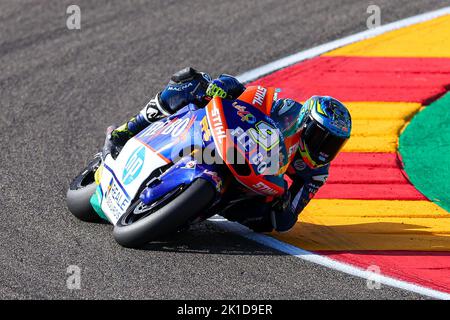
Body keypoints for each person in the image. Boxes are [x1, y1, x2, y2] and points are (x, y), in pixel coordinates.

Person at [109, 67, 352, 233]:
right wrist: (225, 88)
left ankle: (198, 206)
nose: (324, 149)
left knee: (271, 222)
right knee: (192, 82)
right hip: (229, 139)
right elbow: (253, 96)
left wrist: (284, 206)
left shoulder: (316, 172)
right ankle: (128, 129)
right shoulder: (286, 111)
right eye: (321, 137)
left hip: (252, 182)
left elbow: (289, 217)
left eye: (333, 144)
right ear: (306, 123)